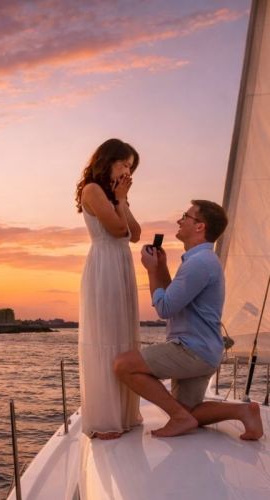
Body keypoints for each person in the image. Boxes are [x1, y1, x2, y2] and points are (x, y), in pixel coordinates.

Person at [114, 200, 263, 440]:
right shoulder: (201, 262)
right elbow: (174, 299)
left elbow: (164, 308)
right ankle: (244, 411)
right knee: (191, 411)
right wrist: (161, 267)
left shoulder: (199, 264)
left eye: (186, 216)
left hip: (191, 350)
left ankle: (179, 418)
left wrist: (151, 270)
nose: (179, 220)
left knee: (123, 365)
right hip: (205, 350)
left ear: (199, 226)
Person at [75, 138, 143, 439]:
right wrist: (119, 200)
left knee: (123, 336)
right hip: (104, 264)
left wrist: (123, 200)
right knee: (105, 338)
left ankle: (125, 414)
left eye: (131, 166)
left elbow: (135, 234)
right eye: (124, 164)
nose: (128, 171)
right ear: (108, 161)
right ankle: (105, 419)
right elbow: (117, 230)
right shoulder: (92, 190)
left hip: (121, 263)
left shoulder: (116, 194)